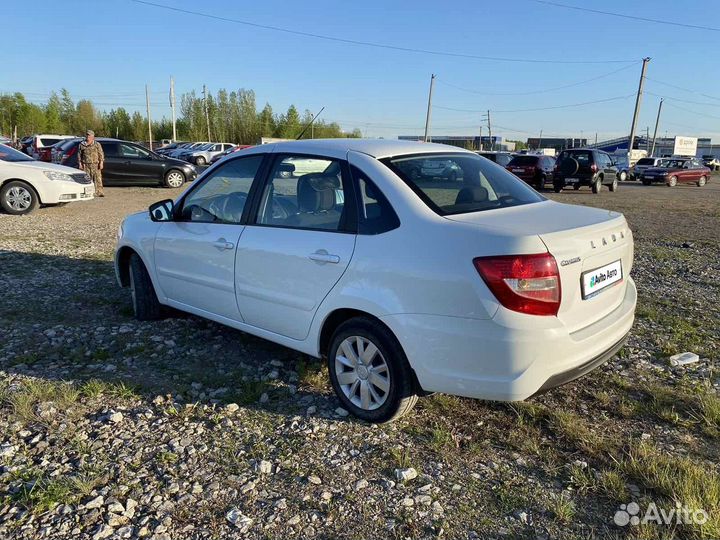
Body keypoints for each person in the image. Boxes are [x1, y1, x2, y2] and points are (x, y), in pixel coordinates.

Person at [78, 130, 105, 197]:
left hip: (95, 164)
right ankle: (88, 192)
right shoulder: (82, 144)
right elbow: (79, 155)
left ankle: (99, 192)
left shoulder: (97, 144)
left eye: (89, 135)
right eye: (87, 135)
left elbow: (101, 154)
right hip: (86, 164)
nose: (88, 136)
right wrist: (80, 164)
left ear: (93, 136)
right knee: (87, 179)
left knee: (98, 179)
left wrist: (101, 163)